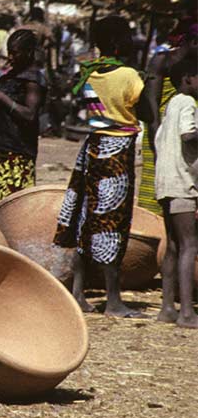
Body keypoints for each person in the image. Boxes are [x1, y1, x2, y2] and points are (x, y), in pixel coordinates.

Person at [53, 16, 150, 317]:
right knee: (112, 222)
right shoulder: (129, 76)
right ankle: (113, 300)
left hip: (91, 148)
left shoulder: (90, 72)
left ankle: (79, 293)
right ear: (120, 42)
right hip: (117, 151)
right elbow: (145, 111)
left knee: (85, 218)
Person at [138, 16, 198, 216]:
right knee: (158, 184)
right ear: (193, 42)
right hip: (162, 132)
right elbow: (152, 107)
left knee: (186, 186)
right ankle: (155, 236)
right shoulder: (163, 60)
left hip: (188, 131)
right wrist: (158, 145)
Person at [154, 59, 198, 328]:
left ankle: (167, 307)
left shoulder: (170, 105)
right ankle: (186, 313)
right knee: (189, 245)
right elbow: (188, 135)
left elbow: (161, 138)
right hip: (183, 183)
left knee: (172, 246)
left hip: (166, 182)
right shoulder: (188, 104)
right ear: (188, 78)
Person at [0, 29, 46, 206]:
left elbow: (29, 114)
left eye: (15, 53)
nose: (10, 57)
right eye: (9, 52)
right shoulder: (10, 75)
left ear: (29, 53)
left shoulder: (33, 80)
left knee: (13, 206)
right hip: (1, 149)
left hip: (17, 153)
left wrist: (1, 97)